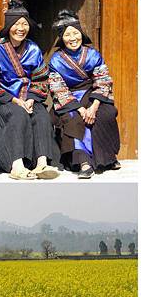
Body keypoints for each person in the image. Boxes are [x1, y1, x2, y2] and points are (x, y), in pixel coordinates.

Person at [0, 0, 61, 180]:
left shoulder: (33, 49)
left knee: (41, 115)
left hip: (28, 97)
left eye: (25, 24)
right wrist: (15, 100)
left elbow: (41, 79)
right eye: (17, 24)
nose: (21, 28)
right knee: (18, 115)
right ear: (9, 26)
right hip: (2, 98)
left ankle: (42, 163)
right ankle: (16, 165)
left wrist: (32, 98)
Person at [48, 10, 121, 179]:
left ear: (81, 33)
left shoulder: (93, 54)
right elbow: (58, 88)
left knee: (106, 114)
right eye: (67, 35)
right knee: (73, 118)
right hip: (69, 98)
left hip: (92, 93)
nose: (72, 38)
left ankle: (107, 158)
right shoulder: (56, 60)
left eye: (75, 33)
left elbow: (103, 80)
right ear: (62, 38)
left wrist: (94, 107)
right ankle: (83, 162)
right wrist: (81, 109)